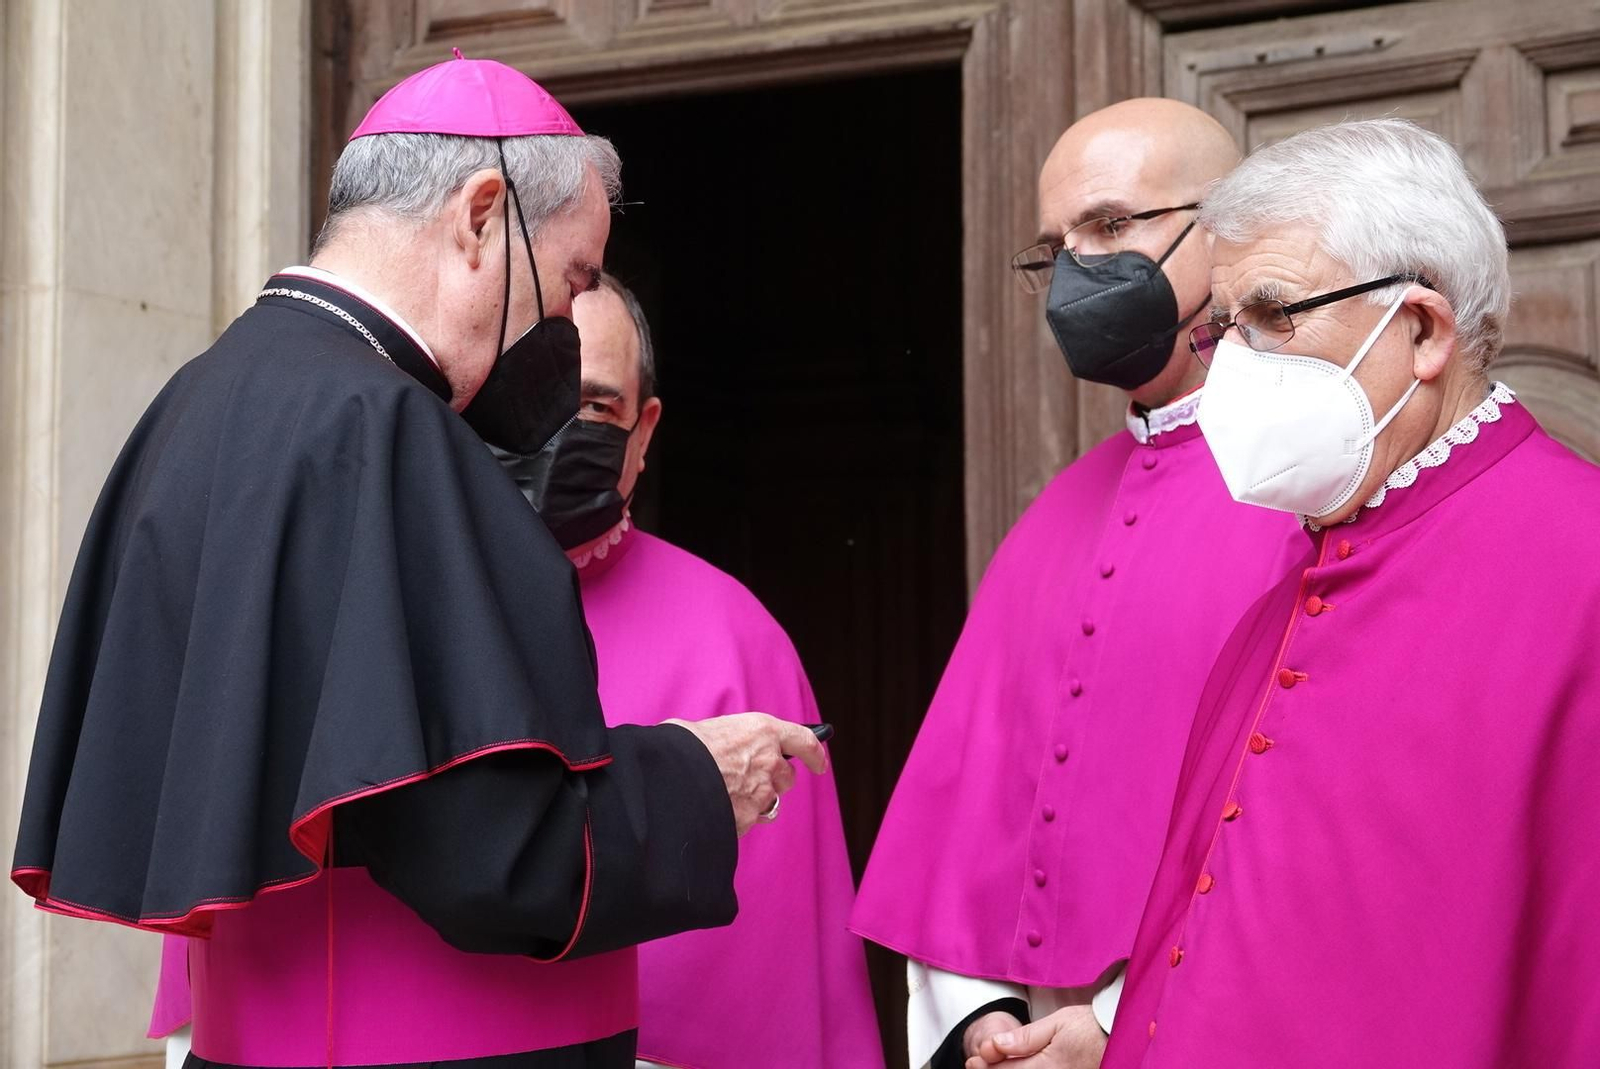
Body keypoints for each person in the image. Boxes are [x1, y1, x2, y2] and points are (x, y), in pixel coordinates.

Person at [12, 52, 825, 1069]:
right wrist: (695, 777)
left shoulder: (200, 397)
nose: (567, 329)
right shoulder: (389, 429)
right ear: (481, 216)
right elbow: (494, 853)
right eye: (573, 279)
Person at [1101, 118, 1600, 1069]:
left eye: (1273, 315)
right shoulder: (1290, 589)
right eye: (1223, 328)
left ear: (1420, 330)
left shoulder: (1584, 570)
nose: (1232, 362)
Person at [849, 98, 1304, 1069]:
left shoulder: (1313, 495)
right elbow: (964, 827)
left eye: (1107, 226)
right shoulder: (1052, 515)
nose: (1073, 274)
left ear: (1222, 229)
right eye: (1053, 248)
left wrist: (1112, 1024)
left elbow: (1309, 827)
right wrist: (984, 1022)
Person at [494, 274, 884, 1068]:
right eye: (534, 393)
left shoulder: (737, 637)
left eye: (598, 407)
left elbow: (772, 977)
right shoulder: (393, 601)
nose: (563, 428)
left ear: (644, 432)